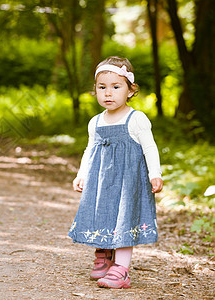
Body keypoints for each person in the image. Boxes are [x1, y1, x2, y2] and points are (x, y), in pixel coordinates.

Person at [68, 56, 163, 289]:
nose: (108, 93)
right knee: (101, 213)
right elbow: (89, 150)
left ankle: (121, 269)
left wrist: (155, 174)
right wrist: (82, 174)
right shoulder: (96, 122)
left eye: (116, 87)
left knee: (123, 219)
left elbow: (150, 147)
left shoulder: (136, 119)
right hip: (101, 183)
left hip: (127, 183)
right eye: (102, 88)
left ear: (130, 90)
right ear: (96, 91)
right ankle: (103, 255)